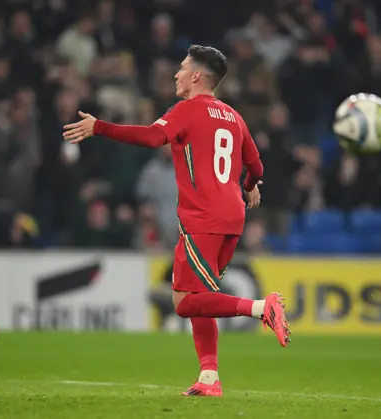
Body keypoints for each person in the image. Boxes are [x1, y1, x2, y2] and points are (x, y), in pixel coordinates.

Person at [63, 45, 290, 397]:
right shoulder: (234, 116)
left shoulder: (186, 110)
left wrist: (100, 127)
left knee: (184, 301)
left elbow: (154, 137)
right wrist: (249, 187)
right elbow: (256, 167)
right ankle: (209, 377)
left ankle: (262, 307)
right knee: (202, 296)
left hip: (204, 217)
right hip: (232, 218)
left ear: (197, 76)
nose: (176, 74)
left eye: (182, 68)